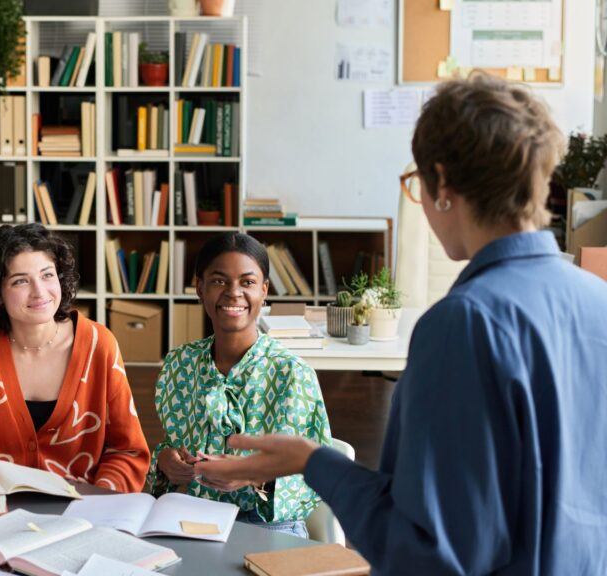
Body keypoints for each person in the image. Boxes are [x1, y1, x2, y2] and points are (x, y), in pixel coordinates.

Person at [195, 74, 607, 573]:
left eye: (415, 187)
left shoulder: (464, 323)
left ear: (443, 182)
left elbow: (427, 548)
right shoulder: (598, 300)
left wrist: (312, 461)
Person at [0, 223, 150, 492]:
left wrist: (99, 500)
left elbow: (127, 452)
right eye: (20, 281)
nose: (39, 291)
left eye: (47, 275)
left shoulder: (99, 345)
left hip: (79, 510)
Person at [147, 232, 331, 538]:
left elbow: (317, 472)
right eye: (219, 280)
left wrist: (252, 477)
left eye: (247, 282)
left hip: (270, 525)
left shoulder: (292, 373)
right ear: (199, 288)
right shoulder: (179, 364)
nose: (234, 293)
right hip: (192, 516)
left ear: (264, 290)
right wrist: (166, 460)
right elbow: (172, 443)